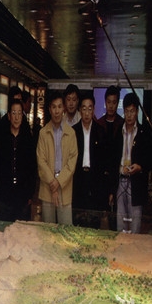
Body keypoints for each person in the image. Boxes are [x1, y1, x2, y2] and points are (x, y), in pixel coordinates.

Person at [110, 93, 152, 234]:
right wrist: (119, 168)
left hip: (136, 183)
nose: (129, 115)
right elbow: (112, 159)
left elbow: (150, 159)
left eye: (132, 111)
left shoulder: (143, 132)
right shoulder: (118, 131)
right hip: (120, 181)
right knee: (120, 223)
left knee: (135, 225)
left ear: (137, 112)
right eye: (126, 111)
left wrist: (140, 167)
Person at [37, 90, 78, 225]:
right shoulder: (43, 133)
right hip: (47, 187)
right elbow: (41, 160)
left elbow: (72, 161)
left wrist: (58, 181)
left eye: (59, 107)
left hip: (64, 187)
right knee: (47, 230)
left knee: (65, 230)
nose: (57, 111)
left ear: (63, 109)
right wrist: (52, 182)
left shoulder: (71, 133)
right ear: (49, 109)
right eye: (54, 107)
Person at [0, 98, 37, 221]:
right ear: (8, 116)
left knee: (22, 229)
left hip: (23, 194)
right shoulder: (2, 138)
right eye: (13, 113)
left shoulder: (28, 139)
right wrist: (1, 188)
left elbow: (32, 168)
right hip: (6, 193)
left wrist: (30, 193)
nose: (16, 117)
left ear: (22, 116)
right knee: (5, 227)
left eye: (19, 113)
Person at [72, 92, 107, 228]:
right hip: (78, 179)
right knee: (78, 221)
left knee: (93, 223)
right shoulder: (73, 131)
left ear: (94, 110)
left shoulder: (100, 131)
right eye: (84, 108)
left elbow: (103, 163)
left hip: (95, 181)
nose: (87, 113)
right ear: (80, 110)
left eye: (90, 108)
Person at [97, 85, 124, 227]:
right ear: (105, 102)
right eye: (109, 102)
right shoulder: (99, 124)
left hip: (117, 176)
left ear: (117, 103)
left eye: (114, 102)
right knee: (100, 215)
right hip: (101, 177)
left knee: (115, 219)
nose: (111, 106)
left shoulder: (122, 124)